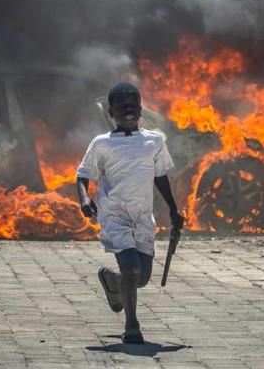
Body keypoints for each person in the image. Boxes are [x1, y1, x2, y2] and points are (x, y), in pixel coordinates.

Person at [75, 82, 185, 345]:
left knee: (142, 277)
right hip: (114, 216)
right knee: (133, 268)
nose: (128, 109)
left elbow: (160, 176)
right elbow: (82, 175)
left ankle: (112, 280)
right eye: (121, 105)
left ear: (140, 108)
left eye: (133, 105)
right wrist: (84, 200)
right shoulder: (102, 143)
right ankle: (132, 326)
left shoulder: (154, 141)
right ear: (111, 112)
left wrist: (173, 209)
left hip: (143, 218)